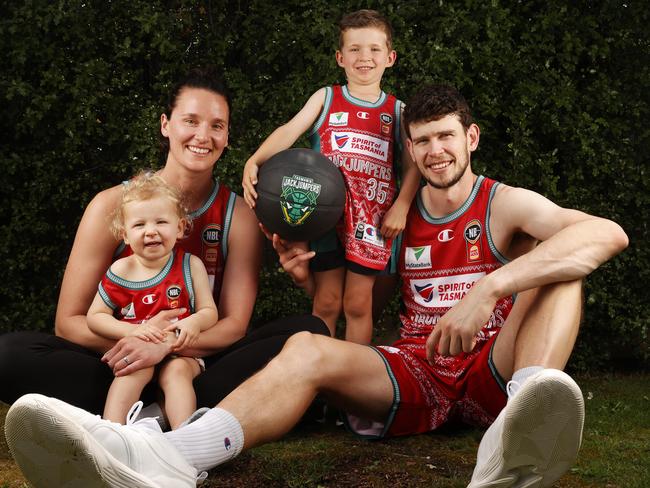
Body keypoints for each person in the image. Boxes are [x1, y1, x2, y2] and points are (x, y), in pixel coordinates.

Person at [5, 84, 629, 488]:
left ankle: (514, 443)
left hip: (498, 365)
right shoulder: (392, 218)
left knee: (559, 268)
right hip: (424, 370)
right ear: (409, 151)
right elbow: (361, 304)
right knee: (305, 344)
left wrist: (490, 286)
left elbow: (606, 234)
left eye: (447, 137)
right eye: (423, 141)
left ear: (471, 139)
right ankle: (169, 459)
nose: (436, 150)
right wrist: (308, 280)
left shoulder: (506, 204)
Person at [0, 67, 329, 419]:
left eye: (217, 125)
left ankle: (156, 413)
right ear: (165, 125)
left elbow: (233, 325)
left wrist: (168, 346)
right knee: (8, 355)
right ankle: (159, 412)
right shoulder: (111, 204)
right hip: (119, 362)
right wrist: (141, 344)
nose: (203, 135)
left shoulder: (239, 215)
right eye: (191, 120)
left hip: (197, 363)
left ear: (228, 135)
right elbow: (69, 322)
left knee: (309, 331)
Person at [242, 9, 421, 344]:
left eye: (373, 49)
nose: (364, 57)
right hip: (325, 215)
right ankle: (318, 379)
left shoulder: (398, 111)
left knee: (357, 303)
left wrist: (402, 206)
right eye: (354, 49)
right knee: (325, 301)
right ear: (340, 58)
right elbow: (289, 130)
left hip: (373, 220)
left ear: (390, 57)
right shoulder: (326, 98)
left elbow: (413, 166)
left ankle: (351, 387)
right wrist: (254, 160)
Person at [87, 171, 219, 428]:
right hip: (139, 349)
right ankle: (111, 435)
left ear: (180, 228)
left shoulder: (191, 266)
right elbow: (95, 317)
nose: (151, 232)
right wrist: (134, 330)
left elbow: (208, 310)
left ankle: (186, 441)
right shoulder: (120, 271)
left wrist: (193, 323)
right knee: (131, 372)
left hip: (179, 351)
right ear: (124, 234)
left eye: (161, 222)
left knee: (177, 374)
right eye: (139, 225)